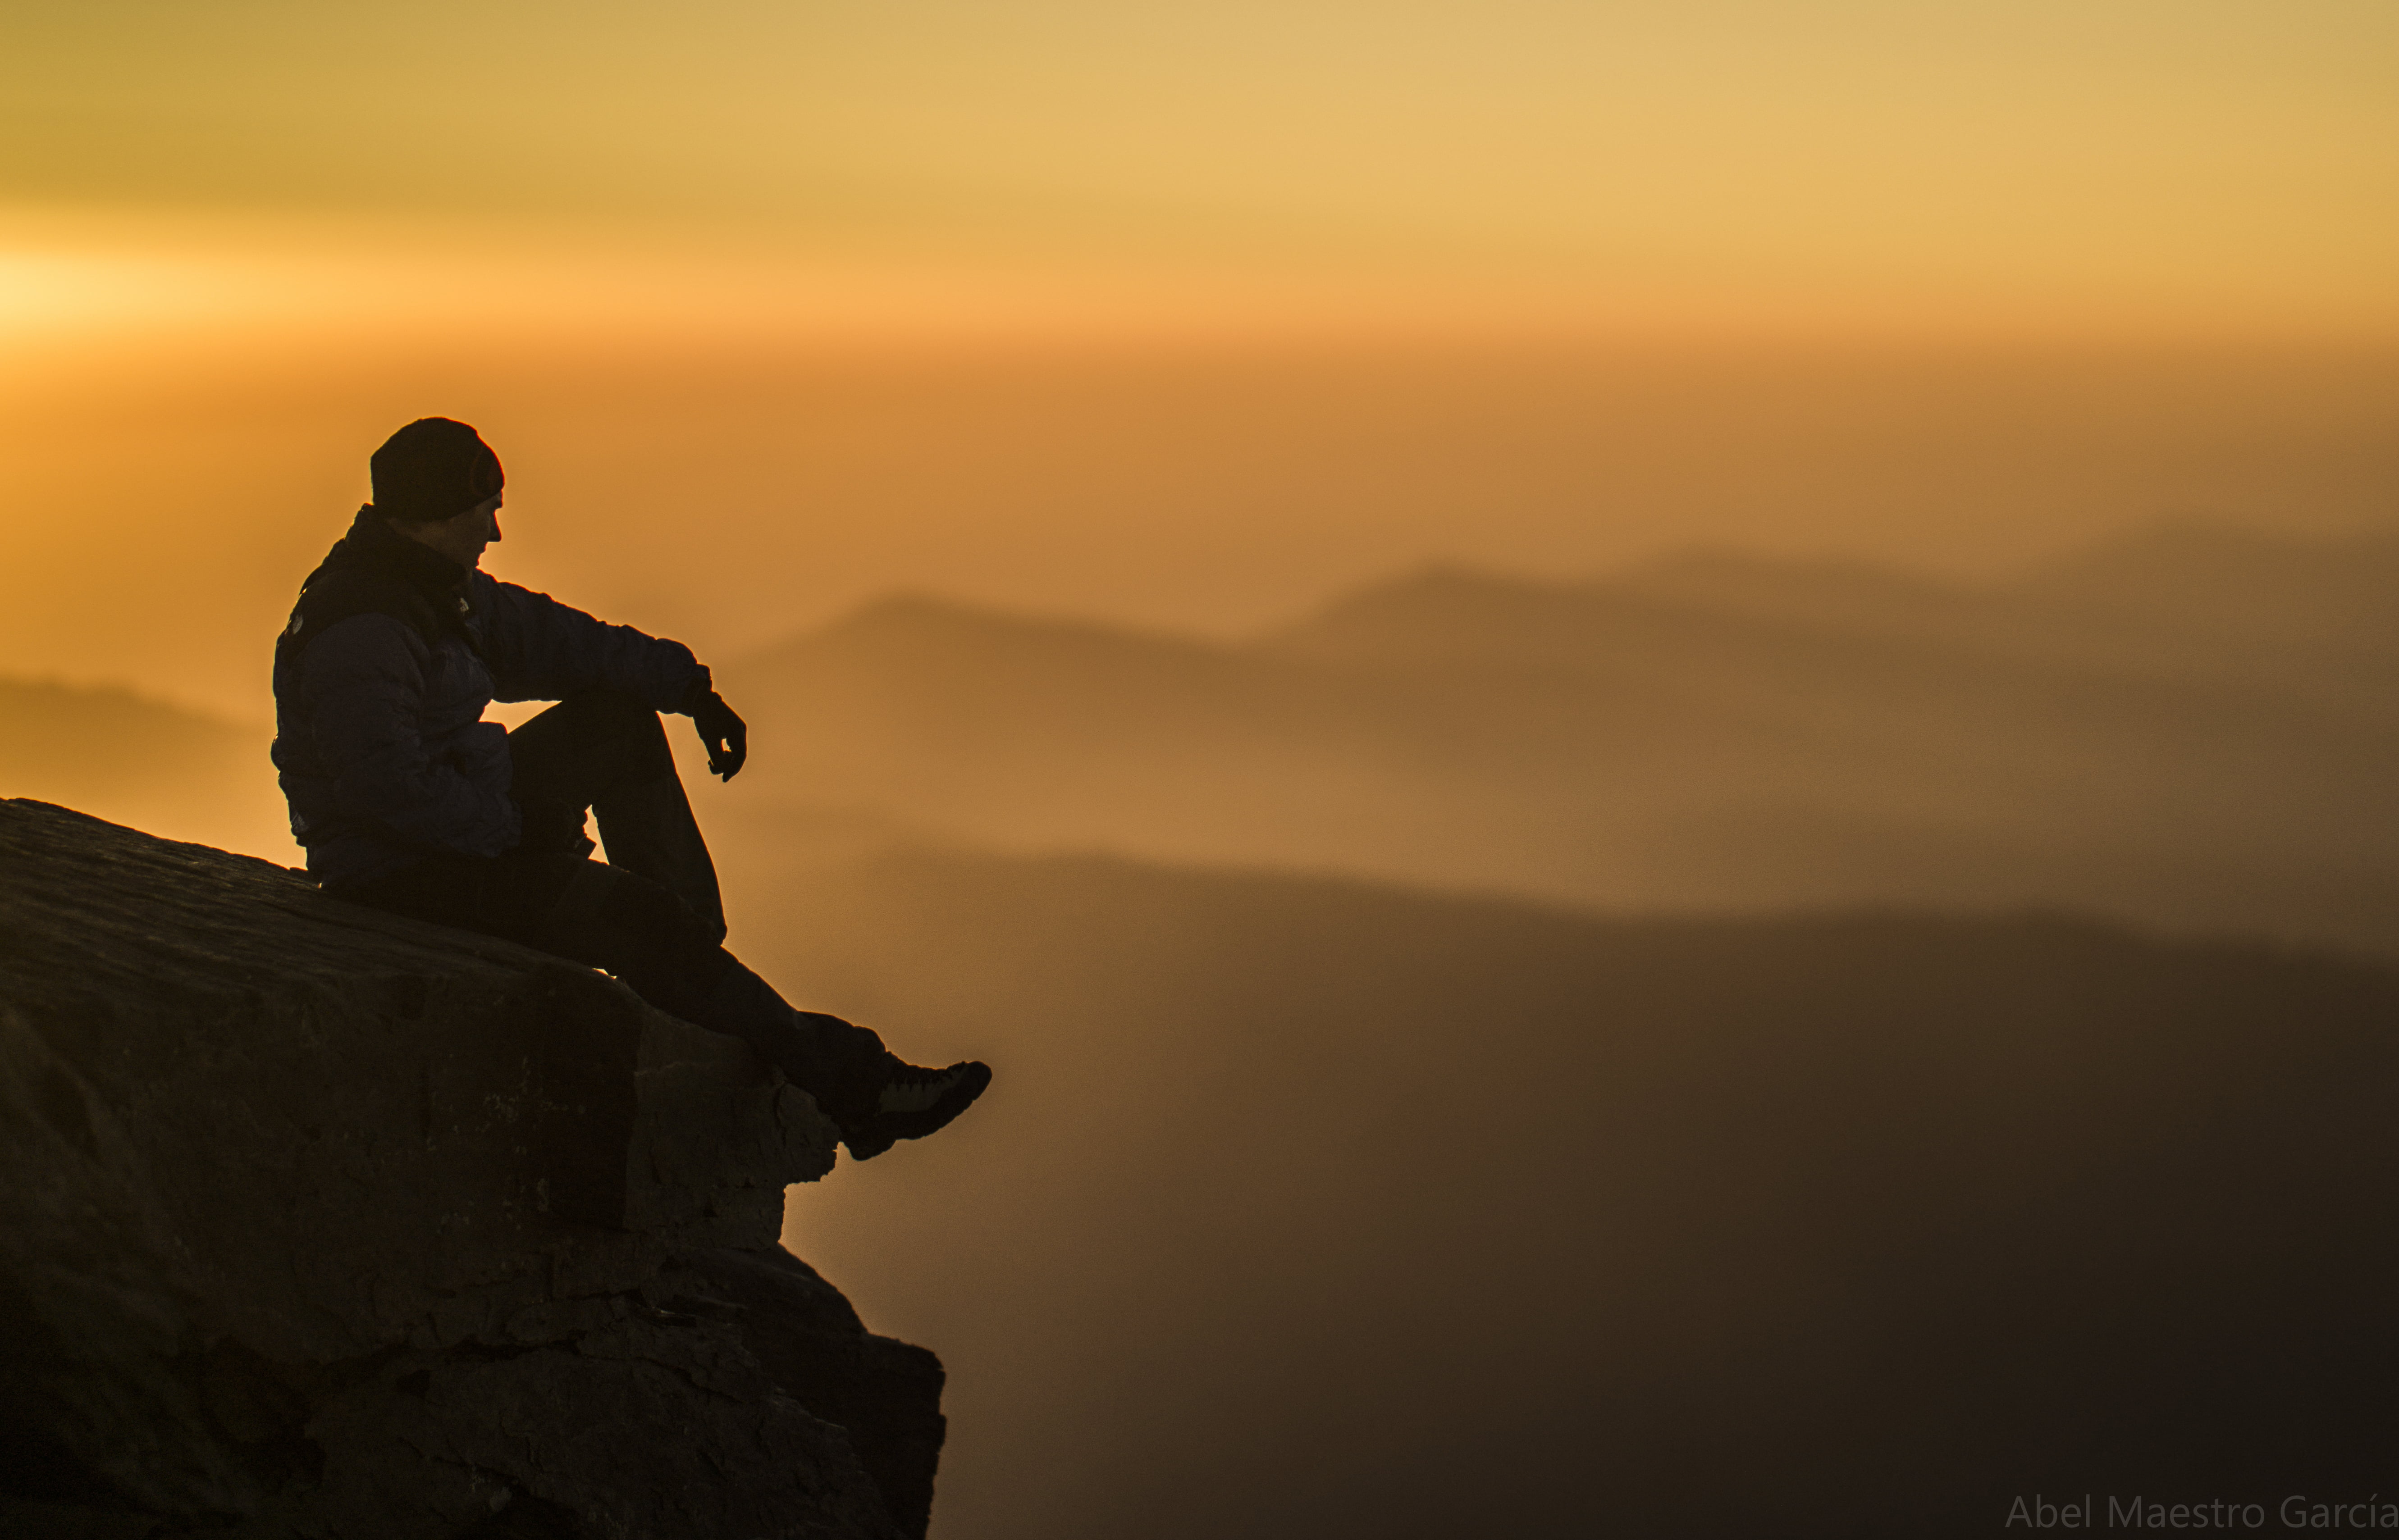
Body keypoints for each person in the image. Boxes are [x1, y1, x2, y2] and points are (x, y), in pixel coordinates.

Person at [270, 417, 988, 1160]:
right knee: (635, 916)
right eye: (486, 510)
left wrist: (691, 691)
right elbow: (385, 790)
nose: (496, 531)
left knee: (618, 723)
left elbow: (562, 642)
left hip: (468, 813)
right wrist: (513, 832)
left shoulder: (434, 589)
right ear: (444, 513)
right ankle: (858, 1088)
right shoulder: (364, 628)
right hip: (403, 870)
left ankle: (692, 961)